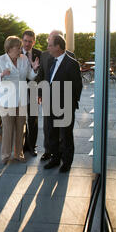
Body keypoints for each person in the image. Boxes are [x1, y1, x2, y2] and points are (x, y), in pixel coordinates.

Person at [0, 36, 39, 165]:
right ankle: (5, 156)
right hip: (6, 101)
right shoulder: (0, 60)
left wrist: (34, 69)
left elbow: (30, 76)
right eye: (18, 48)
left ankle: (19, 154)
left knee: (21, 128)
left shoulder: (23, 59)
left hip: (22, 100)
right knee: (7, 129)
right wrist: (1, 75)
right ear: (10, 48)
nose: (20, 50)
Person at [42, 34, 83, 173]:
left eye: (50, 45)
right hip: (49, 104)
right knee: (51, 133)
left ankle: (67, 162)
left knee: (66, 135)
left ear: (58, 46)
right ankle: (55, 159)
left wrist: (70, 104)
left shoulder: (72, 63)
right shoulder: (49, 61)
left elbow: (78, 86)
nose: (48, 47)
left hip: (65, 106)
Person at [37, 30, 76, 162]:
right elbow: (42, 77)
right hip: (48, 100)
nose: (48, 41)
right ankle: (50, 152)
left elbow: (75, 84)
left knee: (64, 132)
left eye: (51, 39)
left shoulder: (70, 57)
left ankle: (63, 157)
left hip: (64, 102)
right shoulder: (44, 56)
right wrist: (40, 94)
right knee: (49, 128)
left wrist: (71, 103)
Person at [21, 30, 42, 157]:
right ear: (22, 40)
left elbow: (42, 75)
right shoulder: (16, 52)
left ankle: (32, 146)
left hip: (34, 91)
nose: (27, 44)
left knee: (33, 120)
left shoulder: (40, 54)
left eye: (30, 41)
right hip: (20, 92)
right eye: (25, 41)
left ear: (34, 41)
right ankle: (23, 145)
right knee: (21, 120)